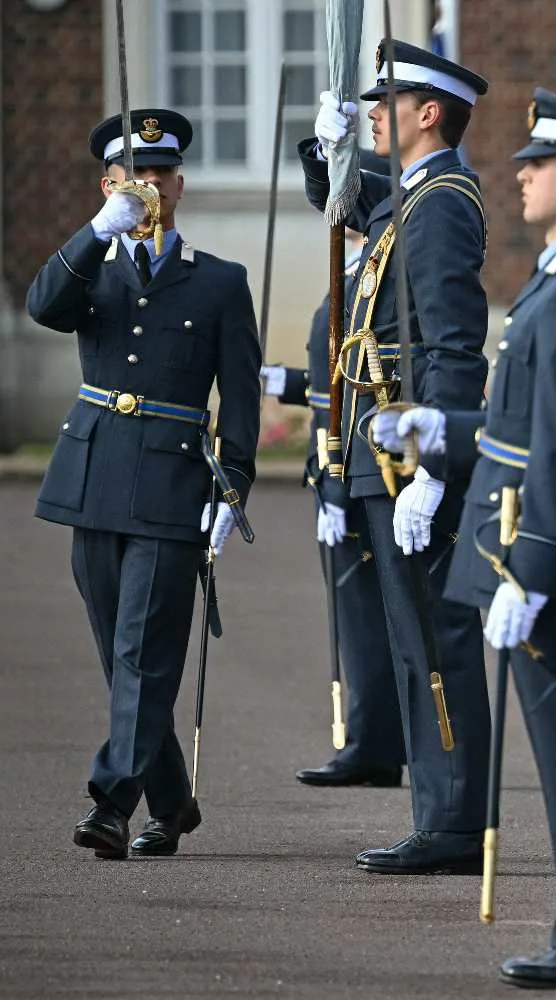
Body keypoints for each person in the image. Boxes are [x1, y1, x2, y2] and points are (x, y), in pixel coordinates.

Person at [374, 88, 556, 991]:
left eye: (537, 165)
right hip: (536, 543)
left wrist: (530, 573)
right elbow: (517, 424)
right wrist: (437, 430)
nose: (520, 175)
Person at [29, 107, 260, 858]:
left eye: (162, 173)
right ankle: (172, 800)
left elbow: (242, 402)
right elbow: (44, 307)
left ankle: (110, 805)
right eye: (136, 174)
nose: (152, 184)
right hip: (92, 473)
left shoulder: (220, 283)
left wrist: (235, 487)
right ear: (111, 184)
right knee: (119, 654)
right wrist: (99, 229)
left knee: (142, 653)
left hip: (170, 483)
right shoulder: (90, 263)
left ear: (181, 185)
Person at [300, 39, 492, 874]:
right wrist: (326, 148)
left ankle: (453, 822)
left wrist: (437, 469)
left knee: (434, 642)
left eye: (388, 102)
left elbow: (456, 347)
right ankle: (438, 812)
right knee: (413, 639)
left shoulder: (442, 201)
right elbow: (343, 198)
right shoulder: (411, 195)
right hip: (383, 451)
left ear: (429, 113)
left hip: (413, 458)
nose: (375, 112)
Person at [260, 223, 406, 789]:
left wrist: (337, 484)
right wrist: (287, 383)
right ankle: (379, 741)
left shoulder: (372, 280)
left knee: (364, 616)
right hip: (333, 467)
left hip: (350, 466)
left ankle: (372, 745)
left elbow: (360, 383)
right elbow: (333, 381)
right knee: (358, 613)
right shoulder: (350, 277)